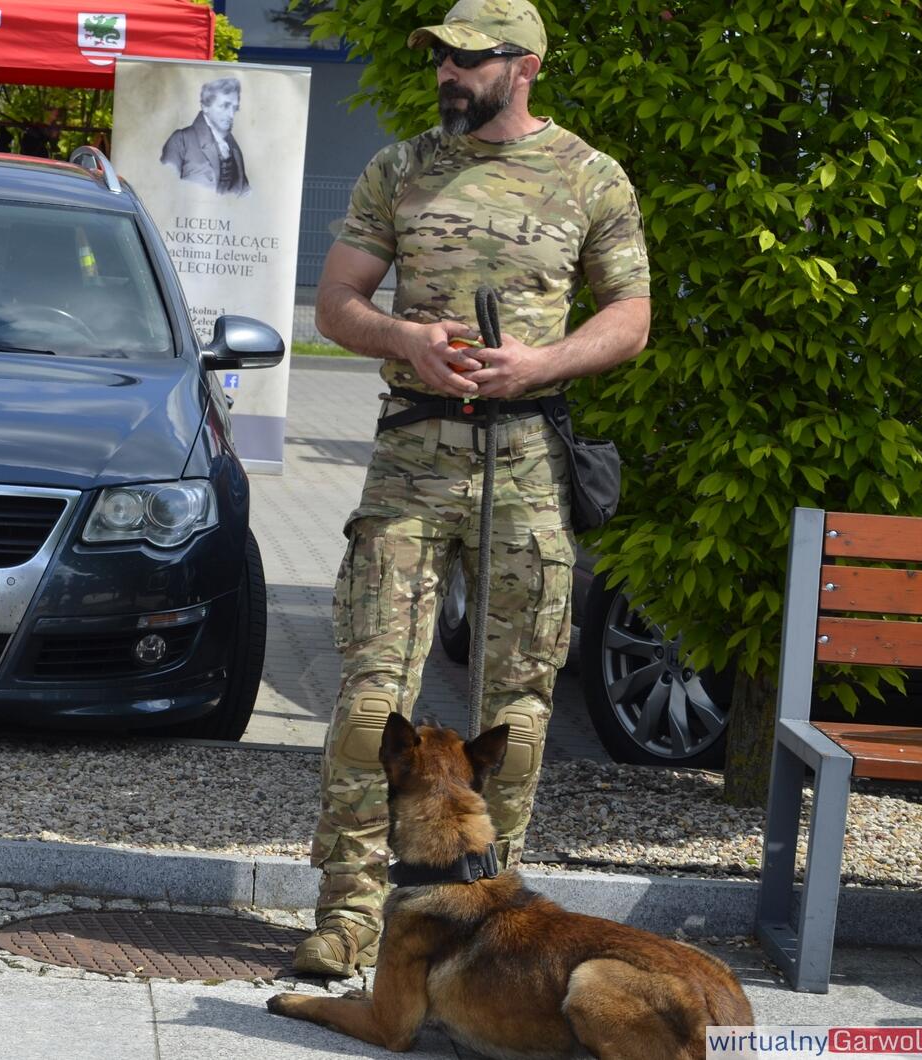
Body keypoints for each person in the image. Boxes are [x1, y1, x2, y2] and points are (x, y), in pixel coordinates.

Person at [294, 0, 651, 977]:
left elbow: (629, 317)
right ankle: (349, 916)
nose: (447, 74)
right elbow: (336, 302)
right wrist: (404, 338)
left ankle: (482, 921)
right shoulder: (400, 167)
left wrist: (540, 362)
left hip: (526, 462)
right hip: (412, 461)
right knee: (372, 703)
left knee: (516, 717)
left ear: (522, 66)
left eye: (466, 59)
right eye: (440, 59)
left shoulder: (589, 176)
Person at [159, 78, 249, 197]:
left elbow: (245, 194)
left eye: (235, 108)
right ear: (205, 106)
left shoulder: (234, 149)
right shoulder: (181, 140)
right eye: (225, 106)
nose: (231, 115)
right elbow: (163, 188)